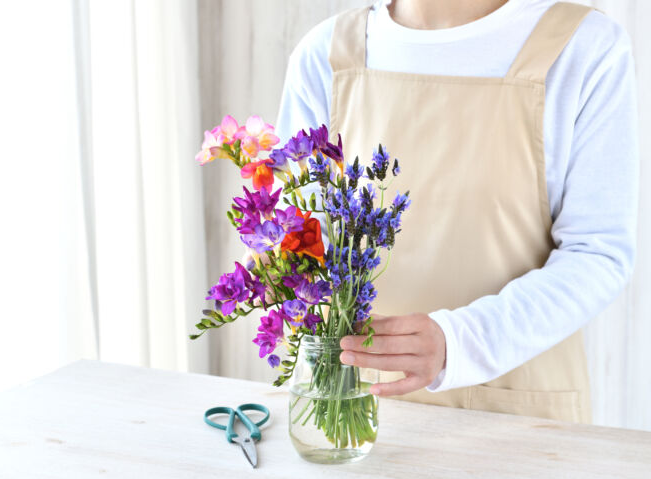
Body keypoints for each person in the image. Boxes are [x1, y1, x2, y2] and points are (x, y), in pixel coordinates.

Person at [274, 0, 639, 422]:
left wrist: (458, 343)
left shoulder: (581, 48)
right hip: (354, 411)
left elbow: (598, 252)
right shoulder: (329, 54)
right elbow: (296, 233)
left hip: (520, 418)